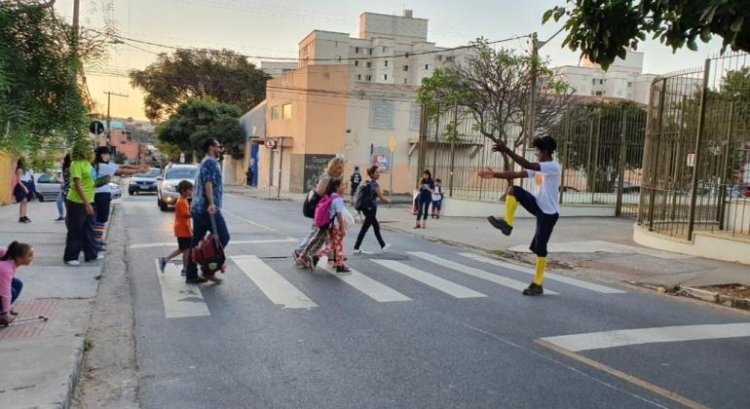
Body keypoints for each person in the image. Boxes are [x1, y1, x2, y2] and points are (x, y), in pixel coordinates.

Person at [478, 136, 560, 296]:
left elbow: (527, 164)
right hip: (538, 206)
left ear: (544, 152)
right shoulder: (540, 167)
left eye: (537, 151)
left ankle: (537, 284)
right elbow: (517, 173)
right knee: (513, 190)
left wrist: (507, 150)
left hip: (548, 213)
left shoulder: (552, 167)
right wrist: (494, 175)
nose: (535, 153)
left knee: (540, 248)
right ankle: (507, 224)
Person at [184, 138, 230, 284]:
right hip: (206, 208)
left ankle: (191, 274)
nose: (220, 149)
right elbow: (208, 182)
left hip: (198, 208)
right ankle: (208, 269)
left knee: (196, 241)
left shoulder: (205, 162)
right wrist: (211, 203)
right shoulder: (210, 162)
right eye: (218, 146)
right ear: (211, 148)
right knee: (223, 236)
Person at [92, 146, 147, 251]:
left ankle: (97, 239)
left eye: (108, 154)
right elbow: (121, 171)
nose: (107, 156)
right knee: (101, 218)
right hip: (101, 194)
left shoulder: (104, 165)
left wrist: (137, 167)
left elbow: (122, 165)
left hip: (101, 194)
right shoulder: (102, 166)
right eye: (105, 154)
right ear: (100, 155)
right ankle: (96, 241)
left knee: (101, 218)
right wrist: (138, 170)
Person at [292, 158, 344, 264]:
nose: (340, 170)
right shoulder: (326, 177)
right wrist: (332, 195)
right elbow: (320, 192)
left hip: (326, 209)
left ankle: (331, 256)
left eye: (341, 169)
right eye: (338, 168)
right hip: (321, 209)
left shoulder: (331, 178)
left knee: (325, 233)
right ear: (333, 167)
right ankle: (300, 252)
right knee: (316, 232)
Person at [63, 141, 100, 266]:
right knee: (76, 229)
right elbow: (78, 186)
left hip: (89, 200)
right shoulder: (76, 164)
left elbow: (89, 182)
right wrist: (86, 204)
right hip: (77, 202)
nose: (91, 150)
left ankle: (91, 254)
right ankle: (70, 257)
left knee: (89, 229)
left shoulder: (88, 164)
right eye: (88, 148)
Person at [314, 179, 351, 273]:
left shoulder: (331, 196)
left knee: (333, 245)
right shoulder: (338, 199)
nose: (344, 187)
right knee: (339, 245)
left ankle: (317, 256)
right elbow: (339, 215)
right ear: (337, 187)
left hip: (330, 225)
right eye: (342, 185)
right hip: (336, 225)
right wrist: (342, 228)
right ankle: (340, 265)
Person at [353, 166, 391, 254]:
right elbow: (381, 198)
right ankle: (356, 247)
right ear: (372, 174)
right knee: (366, 228)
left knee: (375, 226)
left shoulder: (366, 182)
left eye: (378, 172)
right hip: (371, 208)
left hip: (366, 208)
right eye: (377, 172)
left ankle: (382, 244)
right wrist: (388, 200)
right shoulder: (375, 184)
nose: (378, 174)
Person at [160, 181, 193, 275]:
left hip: (184, 229)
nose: (191, 192)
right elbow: (186, 215)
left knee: (184, 249)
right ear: (183, 191)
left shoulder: (184, 200)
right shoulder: (181, 201)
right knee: (184, 249)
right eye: (190, 190)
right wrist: (195, 213)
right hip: (182, 230)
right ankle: (168, 261)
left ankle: (184, 268)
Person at [0, 242, 34, 326]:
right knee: (11, 291)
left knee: (17, 284)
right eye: (29, 255)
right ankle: (2, 314)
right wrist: (6, 312)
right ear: (18, 258)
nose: (32, 258)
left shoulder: (8, 253)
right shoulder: (6, 270)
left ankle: (3, 309)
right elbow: (5, 293)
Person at [13, 157, 34, 224]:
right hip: (22, 186)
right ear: (21, 162)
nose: (26, 162)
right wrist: (25, 187)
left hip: (27, 184)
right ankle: (21, 217)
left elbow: (29, 178)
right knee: (23, 200)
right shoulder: (19, 170)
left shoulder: (26, 170)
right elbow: (19, 181)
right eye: (25, 161)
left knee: (25, 202)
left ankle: (24, 216)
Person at [55, 154, 72, 222]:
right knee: (60, 202)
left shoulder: (66, 168)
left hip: (65, 189)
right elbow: (67, 180)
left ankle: (65, 218)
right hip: (66, 189)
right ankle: (62, 216)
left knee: (69, 210)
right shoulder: (67, 168)